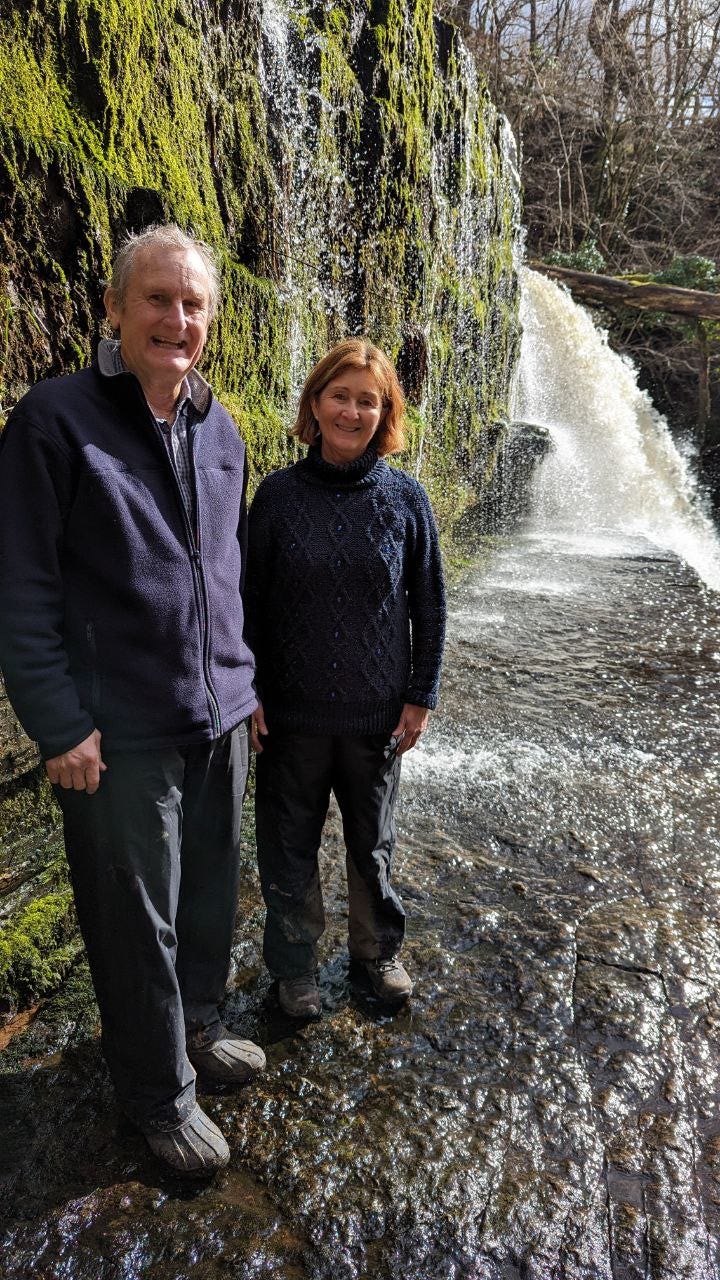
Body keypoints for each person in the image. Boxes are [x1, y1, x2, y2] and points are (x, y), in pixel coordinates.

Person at [0, 224, 265, 1177]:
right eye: (157, 299)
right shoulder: (54, 420)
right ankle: (158, 1095)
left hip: (218, 715)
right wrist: (58, 722)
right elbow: (19, 587)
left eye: (194, 304)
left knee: (206, 896)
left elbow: (223, 575)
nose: (177, 319)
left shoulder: (220, 427)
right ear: (114, 309)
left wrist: (246, 687)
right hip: (119, 732)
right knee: (132, 917)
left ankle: (198, 1027)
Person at [246, 338, 446, 1019]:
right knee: (288, 842)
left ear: (384, 411)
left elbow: (430, 604)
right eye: (341, 395)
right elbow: (246, 603)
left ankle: (376, 953)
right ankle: (295, 968)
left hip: (375, 715)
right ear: (315, 401)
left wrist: (421, 696)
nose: (352, 411)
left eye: (368, 400)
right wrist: (247, 694)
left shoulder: (406, 500)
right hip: (291, 716)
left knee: (373, 843)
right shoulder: (275, 498)